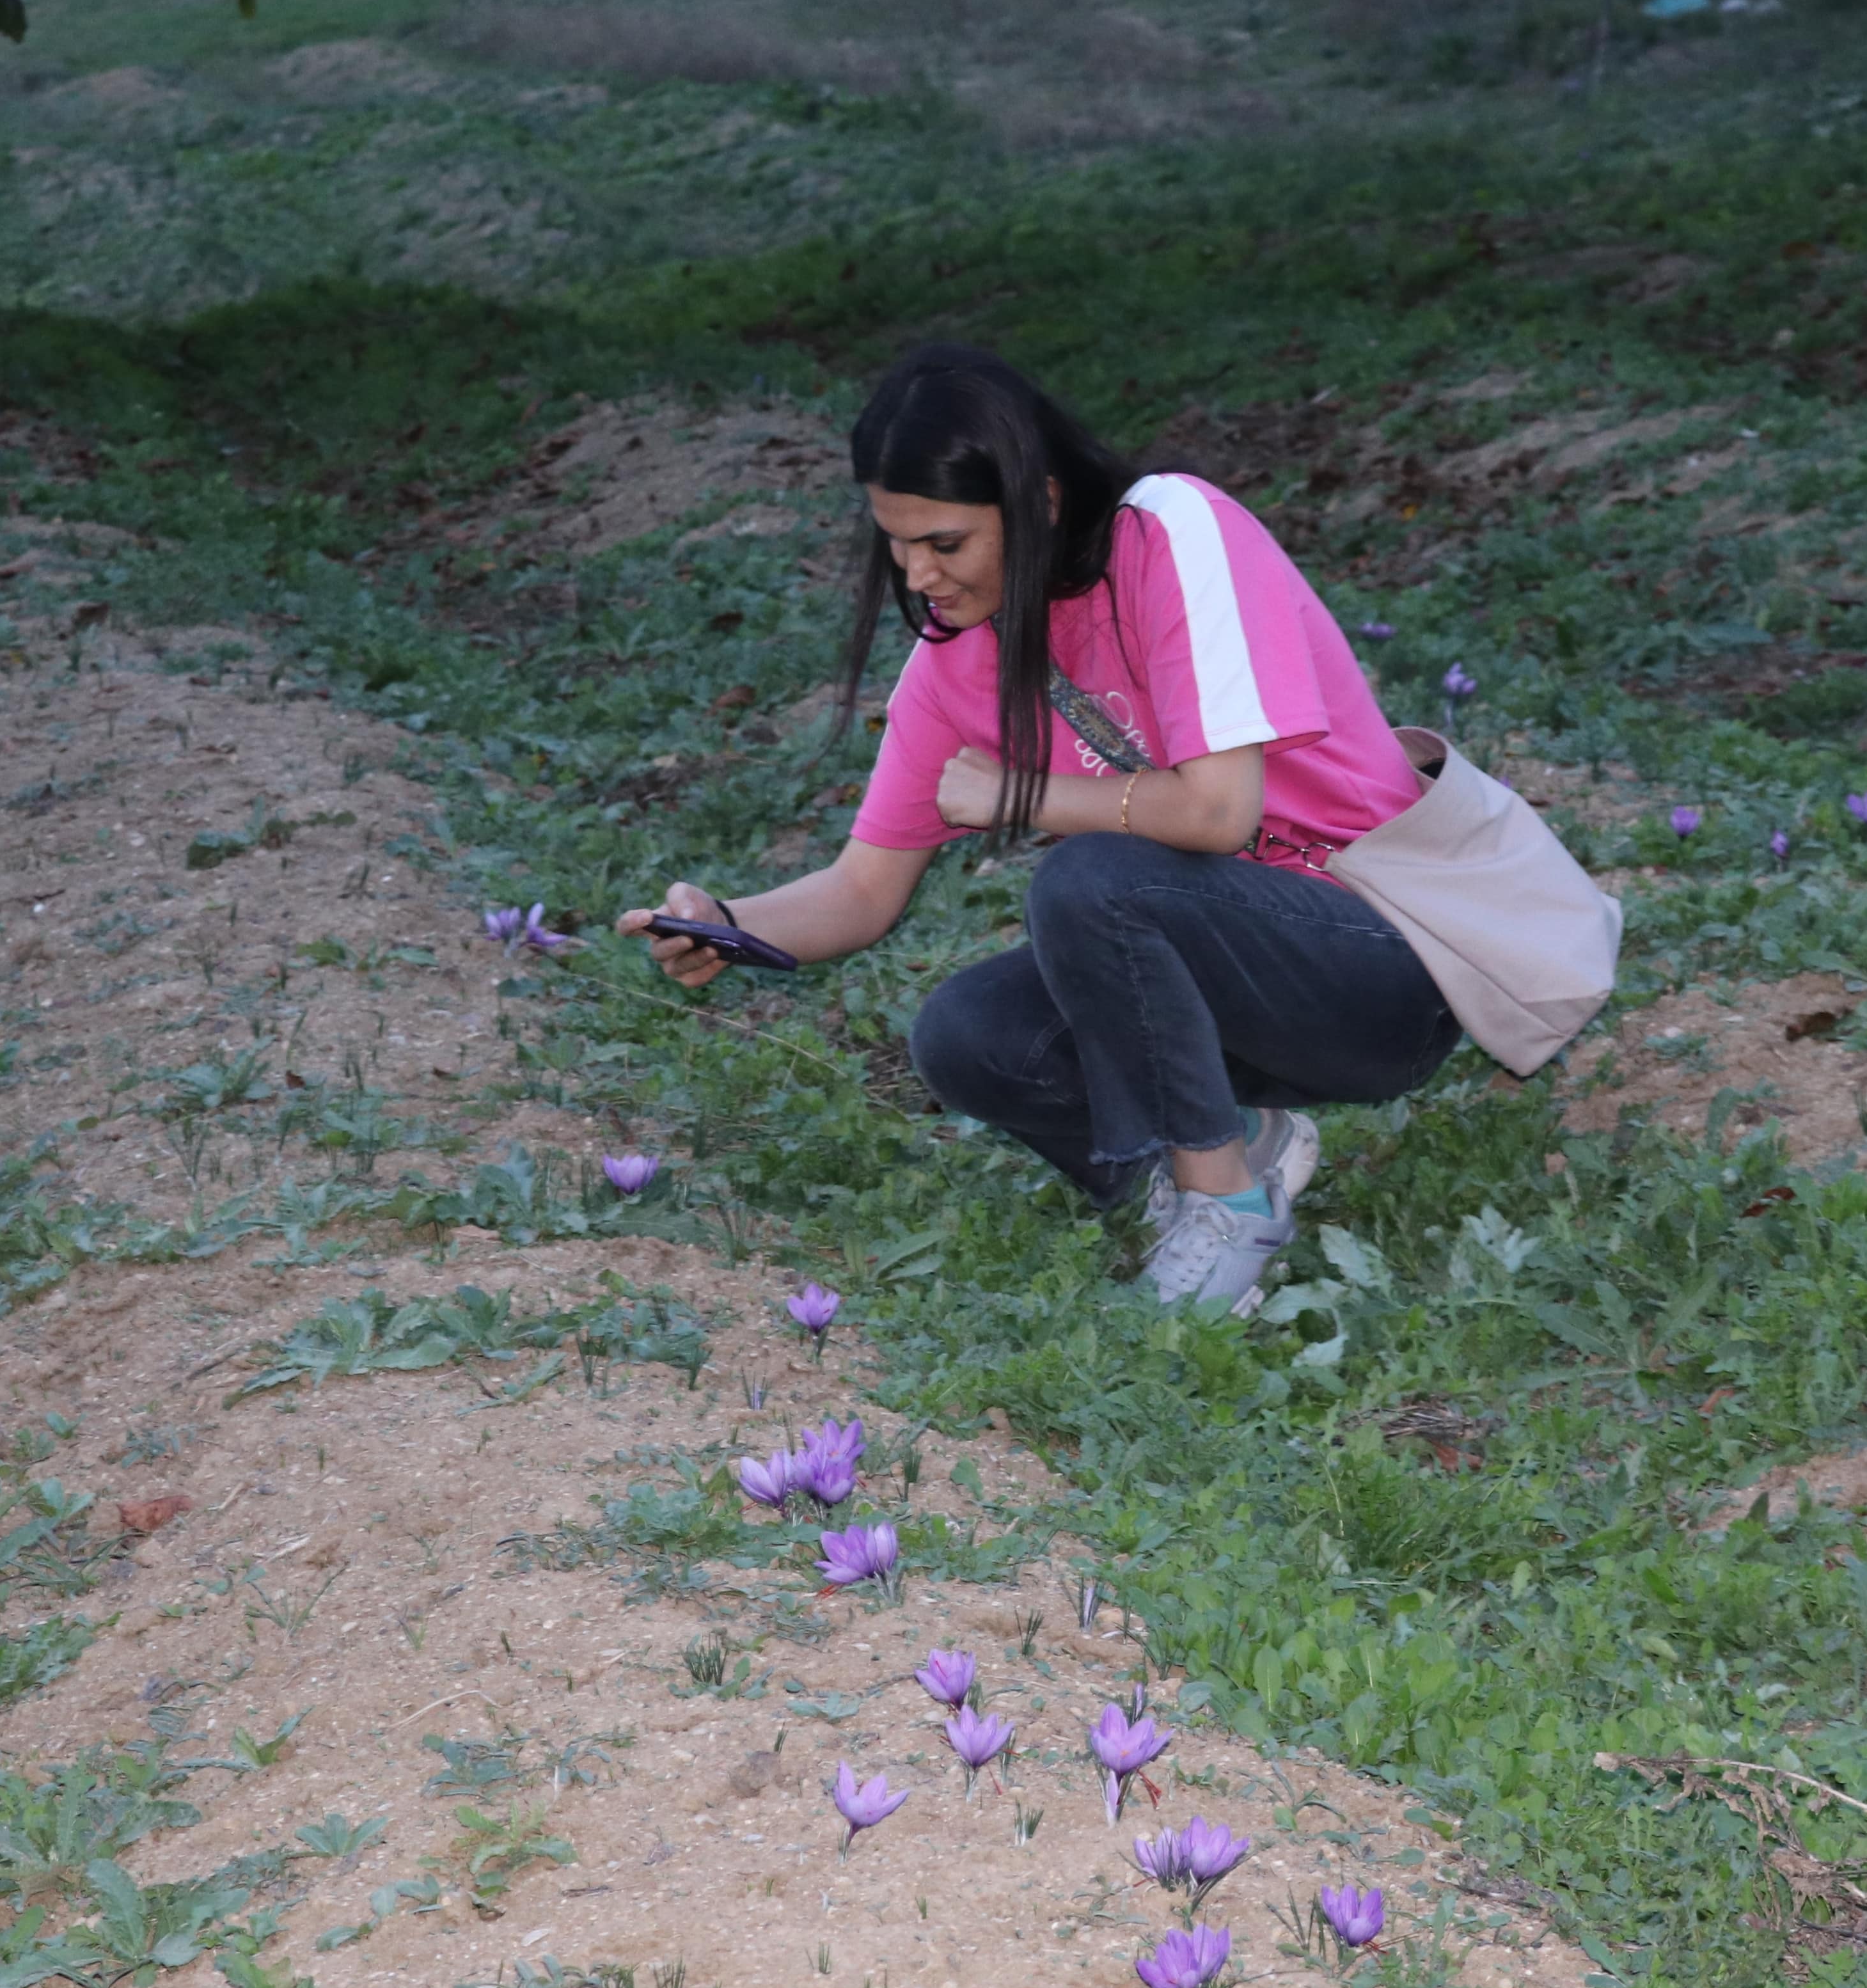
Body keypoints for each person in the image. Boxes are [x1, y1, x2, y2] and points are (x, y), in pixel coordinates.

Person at [622, 343, 1459, 1316]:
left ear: (1043, 501)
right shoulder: (954, 664)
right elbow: (860, 892)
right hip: (1245, 993)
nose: (918, 574)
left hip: (1389, 962)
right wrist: (726, 921)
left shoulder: (1174, 534)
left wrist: (1020, 792)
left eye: (945, 542)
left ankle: (1223, 1203)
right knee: (969, 1036)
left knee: (1095, 881)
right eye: (897, 545)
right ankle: (1219, 1159)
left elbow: (1219, 815)